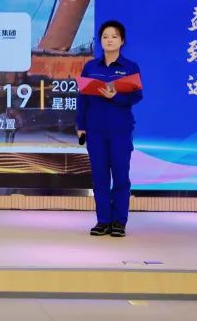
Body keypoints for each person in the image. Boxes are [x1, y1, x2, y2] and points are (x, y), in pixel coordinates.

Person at [76, 20, 142, 238]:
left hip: (120, 129)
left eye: (114, 36)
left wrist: (116, 96)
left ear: (122, 41)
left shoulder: (130, 67)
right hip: (95, 130)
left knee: (121, 177)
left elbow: (136, 96)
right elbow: (82, 98)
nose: (109, 40)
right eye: (105, 37)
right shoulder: (90, 67)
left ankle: (119, 221)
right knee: (100, 177)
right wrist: (81, 125)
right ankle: (103, 220)